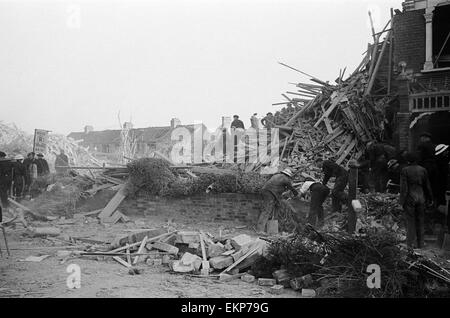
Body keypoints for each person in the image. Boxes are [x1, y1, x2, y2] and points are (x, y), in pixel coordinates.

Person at [400, 152, 433, 249]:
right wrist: (430, 198)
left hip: (411, 196)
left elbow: (404, 188)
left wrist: (401, 202)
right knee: (420, 221)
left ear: (408, 160)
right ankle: (420, 244)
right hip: (421, 196)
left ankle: (410, 245)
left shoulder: (405, 170)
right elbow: (427, 186)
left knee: (410, 221)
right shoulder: (423, 170)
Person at [257, 168, 299, 233]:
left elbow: (278, 187)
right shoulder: (285, 178)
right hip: (270, 193)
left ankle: (270, 229)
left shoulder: (276, 175)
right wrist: (296, 194)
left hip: (268, 192)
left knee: (271, 210)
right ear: (288, 175)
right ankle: (260, 230)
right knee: (266, 211)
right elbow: (292, 188)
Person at [417, 132, 438, 205]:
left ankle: (425, 201)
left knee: (424, 185)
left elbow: (420, 157)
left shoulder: (422, 145)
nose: (420, 139)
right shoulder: (434, 146)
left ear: (426, 138)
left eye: (422, 138)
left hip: (425, 166)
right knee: (432, 184)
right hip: (434, 167)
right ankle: (433, 201)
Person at [0, 151, 13, 221]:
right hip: (9, 179)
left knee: (2, 192)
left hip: (2, 179)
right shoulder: (9, 162)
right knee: (5, 191)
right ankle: (6, 204)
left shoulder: (1, 162)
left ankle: (5, 206)